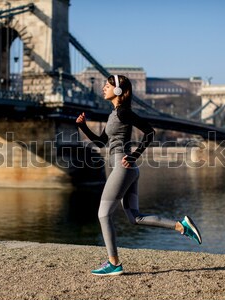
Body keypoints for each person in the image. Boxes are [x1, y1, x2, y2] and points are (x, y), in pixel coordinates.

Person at [76, 75, 202, 276]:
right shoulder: (113, 115)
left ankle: (113, 263)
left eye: (107, 86)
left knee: (103, 213)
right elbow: (100, 143)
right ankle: (181, 226)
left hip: (123, 168)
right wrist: (82, 126)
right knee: (135, 217)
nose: (103, 88)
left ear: (118, 91)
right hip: (130, 170)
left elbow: (149, 132)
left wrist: (134, 154)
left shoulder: (124, 113)